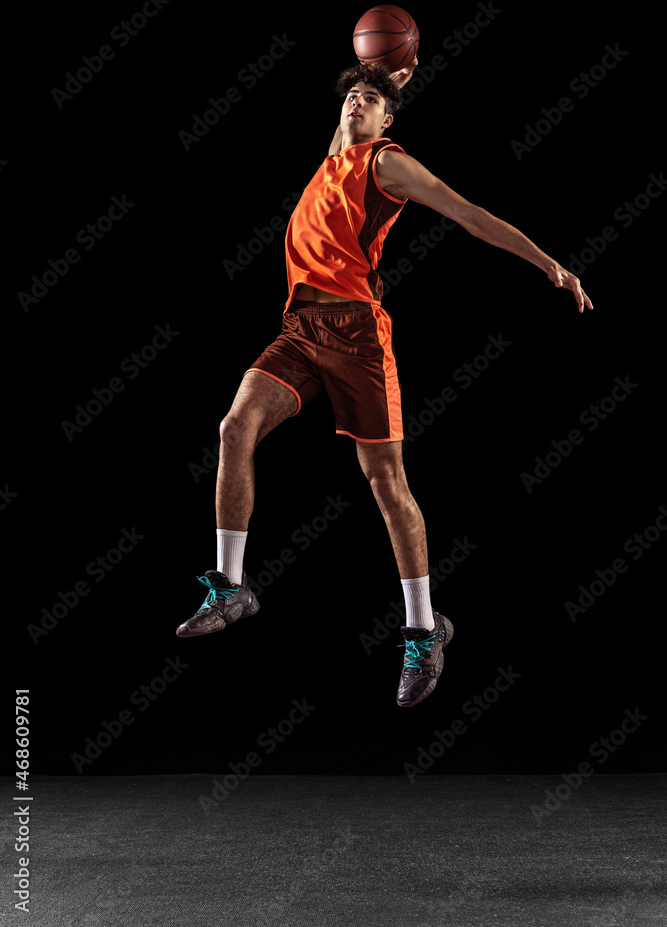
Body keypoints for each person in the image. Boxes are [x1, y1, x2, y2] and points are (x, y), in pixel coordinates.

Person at [176, 58, 593, 708]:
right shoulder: (332, 155)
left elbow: (467, 212)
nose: (355, 104)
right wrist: (386, 68)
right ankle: (231, 588)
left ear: (388, 119)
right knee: (234, 428)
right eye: (351, 98)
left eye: (370, 100)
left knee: (384, 481)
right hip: (299, 330)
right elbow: (350, 104)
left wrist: (547, 263)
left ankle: (424, 629)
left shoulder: (385, 163)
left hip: (356, 336)